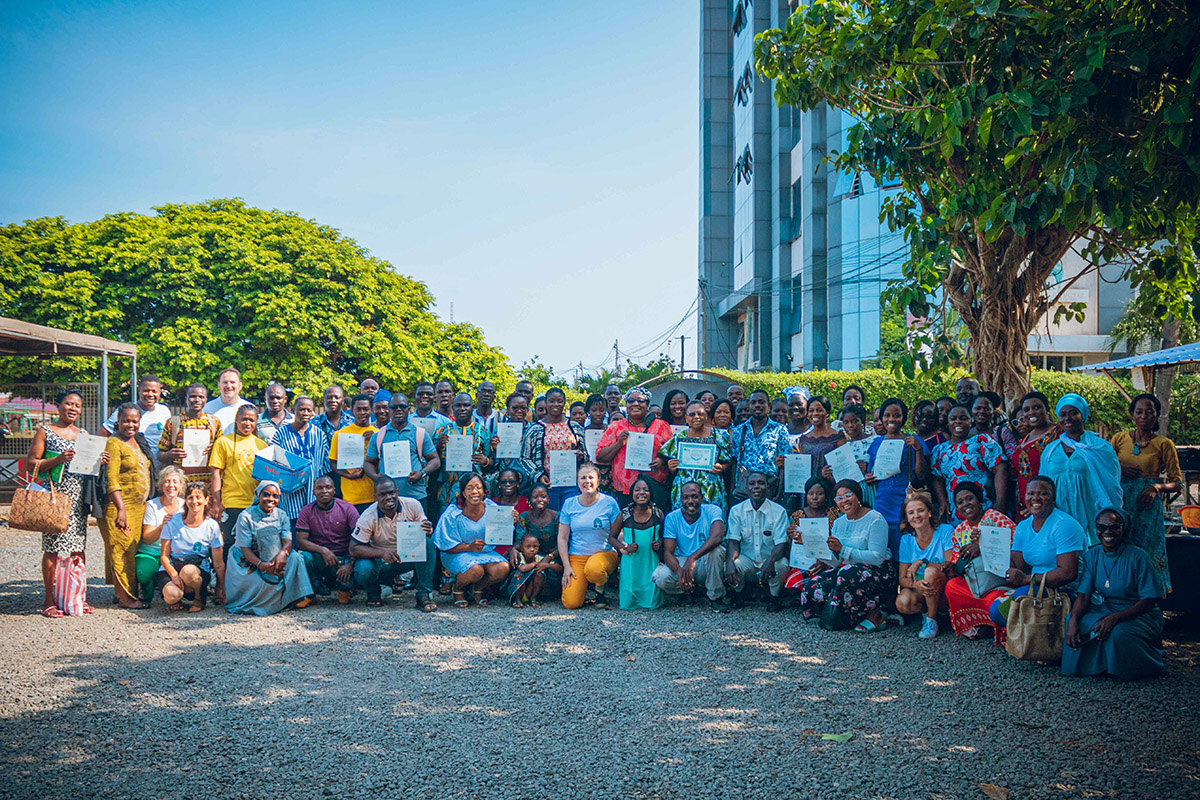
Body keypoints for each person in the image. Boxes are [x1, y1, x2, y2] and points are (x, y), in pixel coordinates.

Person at [25, 388, 107, 617]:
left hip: (78, 499)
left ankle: (76, 597)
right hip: (55, 498)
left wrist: (99, 461)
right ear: (58, 405)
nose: (73, 409)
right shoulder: (45, 431)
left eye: (77, 406)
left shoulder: (83, 434)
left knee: (78, 549)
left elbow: (86, 468)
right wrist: (59, 459)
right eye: (69, 404)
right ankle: (49, 600)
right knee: (52, 549)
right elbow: (31, 464)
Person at [1063, 508, 1164, 680]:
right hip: (1108, 609)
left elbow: (1150, 600)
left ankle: (1138, 667)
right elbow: (1084, 596)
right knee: (1075, 622)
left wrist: (1115, 618)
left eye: (1114, 527)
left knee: (1118, 632)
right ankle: (1094, 667)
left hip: (1140, 613)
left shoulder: (1138, 556)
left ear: (1123, 528)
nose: (1107, 532)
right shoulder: (1093, 555)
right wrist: (1072, 620)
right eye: (1102, 527)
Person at [987, 475, 1084, 631]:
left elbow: (1068, 573)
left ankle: (1047, 643)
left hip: (1065, 590)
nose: (1035, 498)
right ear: (1023, 497)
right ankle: (1036, 642)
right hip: (1036, 585)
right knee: (998, 609)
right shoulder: (1023, 527)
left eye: (1043, 494)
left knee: (1006, 608)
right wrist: (987, 545)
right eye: (1031, 493)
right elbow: (1016, 564)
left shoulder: (1064, 525)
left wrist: (1026, 579)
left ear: (1053, 498)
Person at [795, 480, 892, 632]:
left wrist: (843, 549)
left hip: (878, 571)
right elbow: (836, 562)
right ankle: (849, 615)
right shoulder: (839, 522)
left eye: (848, 495)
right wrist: (808, 543)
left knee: (847, 574)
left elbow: (877, 557)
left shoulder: (875, 519)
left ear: (858, 496)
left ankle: (875, 616)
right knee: (813, 587)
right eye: (839, 498)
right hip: (847, 570)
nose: (844, 501)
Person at [1110, 393, 1180, 597]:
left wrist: (1156, 488)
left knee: (1147, 552)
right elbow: (1104, 464)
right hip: (1120, 503)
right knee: (1119, 547)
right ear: (1132, 415)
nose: (1144, 416)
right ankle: (1119, 596)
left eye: (1150, 412)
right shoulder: (1119, 439)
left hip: (1147, 508)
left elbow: (1177, 483)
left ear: (1157, 415)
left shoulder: (1164, 443)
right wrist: (1120, 468)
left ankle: (1148, 600)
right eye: (1139, 412)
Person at [1039, 393, 1122, 546]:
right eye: (1063, 414)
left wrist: (1110, 514)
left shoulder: (1100, 448)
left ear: (1083, 415)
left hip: (1092, 514)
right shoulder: (1050, 451)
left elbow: (1111, 486)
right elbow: (1042, 484)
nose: (1068, 418)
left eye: (1073, 413)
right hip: (1060, 515)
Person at [942, 481, 1018, 641]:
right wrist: (951, 567)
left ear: (980, 501)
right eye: (960, 502)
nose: (966, 505)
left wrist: (982, 548)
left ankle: (998, 629)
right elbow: (959, 569)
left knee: (994, 599)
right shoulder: (959, 531)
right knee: (952, 587)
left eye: (970, 499)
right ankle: (977, 625)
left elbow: (1016, 546)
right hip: (976, 582)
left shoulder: (994, 518)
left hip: (999, 580)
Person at [224, 480, 314, 615]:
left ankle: (297, 597)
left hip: (273, 554)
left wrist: (282, 554)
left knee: (295, 557)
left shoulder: (281, 515)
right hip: (248, 559)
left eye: (275, 496)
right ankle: (274, 603)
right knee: (260, 583)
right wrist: (262, 565)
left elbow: (287, 541)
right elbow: (245, 549)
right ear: (258, 495)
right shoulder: (245, 517)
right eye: (266, 495)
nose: (271, 499)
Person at [350, 476, 438, 611]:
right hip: (380, 560)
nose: (388, 497)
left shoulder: (413, 505)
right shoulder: (368, 516)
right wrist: (382, 553)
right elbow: (354, 548)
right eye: (383, 494)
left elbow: (424, 530)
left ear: (397, 492)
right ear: (375, 497)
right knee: (363, 569)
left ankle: (423, 594)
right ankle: (373, 591)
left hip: (407, 557)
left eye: (391, 492)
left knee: (428, 544)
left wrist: (428, 529)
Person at [102, 403, 158, 609]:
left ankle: (122, 593)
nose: (130, 424)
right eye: (126, 420)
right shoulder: (114, 443)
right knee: (121, 548)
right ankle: (127, 598)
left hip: (139, 507)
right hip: (120, 506)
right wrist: (121, 509)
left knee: (132, 549)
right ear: (118, 420)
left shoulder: (138, 441)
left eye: (135, 421)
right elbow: (112, 479)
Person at [432, 473, 511, 607]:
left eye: (478, 487)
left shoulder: (492, 508)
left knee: (503, 568)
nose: (474, 492)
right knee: (476, 570)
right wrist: (469, 547)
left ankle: (478, 588)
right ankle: (458, 590)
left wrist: (510, 521)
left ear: (484, 491)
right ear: (463, 492)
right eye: (469, 488)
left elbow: (501, 534)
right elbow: (444, 545)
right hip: (456, 553)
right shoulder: (453, 514)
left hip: (483, 552)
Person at [865, 397, 929, 558]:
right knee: (882, 539)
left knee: (906, 539)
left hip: (905, 499)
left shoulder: (913, 441)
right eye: (887, 415)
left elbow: (922, 476)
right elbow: (870, 472)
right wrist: (869, 478)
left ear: (904, 417)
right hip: (882, 500)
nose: (891, 419)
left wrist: (919, 450)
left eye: (896, 415)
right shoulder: (876, 443)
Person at [652, 482, 728, 611]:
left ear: (702, 497)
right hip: (683, 561)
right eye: (686, 497)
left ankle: (716, 597)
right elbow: (667, 553)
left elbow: (717, 537)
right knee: (660, 577)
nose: (690, 501)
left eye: (694, 496)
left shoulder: (713, 510)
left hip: (705, 561)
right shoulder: (672, 517)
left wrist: (692, 558)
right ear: (681, 499)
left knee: (716, 551)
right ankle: (687, 591)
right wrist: (680, 573)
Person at [364, 392, 441, 518]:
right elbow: (368, 462)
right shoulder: (378, 436)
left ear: (409, 409)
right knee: (389, 536)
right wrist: (376, 477)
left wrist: (421, 473)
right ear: (389, 409)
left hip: (416, 496)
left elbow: (435, 460)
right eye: (394, 407)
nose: (398, 410)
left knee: (416, 534)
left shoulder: (420, 434)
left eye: (402, 407)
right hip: (387, 499)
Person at [595, 387, 674, 509]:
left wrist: (662, 461)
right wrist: (619, 443)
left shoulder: (661, 426)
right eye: (631, 401)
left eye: (640, 401)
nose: (635, 404)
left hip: (654, 488)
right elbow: (600, 456)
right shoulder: (616, 426)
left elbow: (673, 453)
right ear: (626, 405)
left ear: (647, 404)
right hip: (624, 490)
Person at [558, 464, 622, 609]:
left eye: (591, 477)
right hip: (577, 555)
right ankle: (583, 589)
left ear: (598, 481)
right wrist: (566, 566)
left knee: (594, 569)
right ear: (577, 481)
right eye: (583, 478)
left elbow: (619, 532)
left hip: (604, 553)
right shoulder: (569, 504)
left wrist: (624, 549)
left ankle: (600, 589)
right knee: (571, 603)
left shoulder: (609, 502)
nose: (587, 481)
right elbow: (562, 538)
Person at [156, 481, 226, 612]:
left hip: (196, 569)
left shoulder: (211, 525)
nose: (194, 502)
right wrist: (174, 575)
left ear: (206, 500)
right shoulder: (172, 521)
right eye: (190, 498)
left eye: (198, 497)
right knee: (171, 595)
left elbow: (218, 563)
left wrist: (222, 588)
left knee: (188, 571)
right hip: (173, 566)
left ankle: (199, 598)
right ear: (186, 501)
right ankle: (177, 599)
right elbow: (164, 556)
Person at [930, 404, 1007, 521]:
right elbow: (937, 479)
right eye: (953, 419)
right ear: (948, 422)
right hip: (955, 510)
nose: (958, 422)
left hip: (985, 507)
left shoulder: (982, 441)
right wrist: (942, 502)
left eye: (963, 418)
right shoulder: (939, 450)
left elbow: (1000, 468)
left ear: (971, 421)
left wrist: (1000, 501)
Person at [725, 472, 790, 610]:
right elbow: (733, 542)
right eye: (752, 483)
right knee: (734, 563)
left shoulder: (779, 512)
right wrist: (729, 563)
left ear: (768, 488)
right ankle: (739, 593)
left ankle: (774, 597)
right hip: (748, 560)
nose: (756, 487)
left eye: (761, 483)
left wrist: (771, 560)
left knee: (782, 564)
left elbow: (781, 543)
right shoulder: (736, 511)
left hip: (769, 561)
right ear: (746, 488)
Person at [895, 494, 955, 639]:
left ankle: (932, 620)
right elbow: (902, 579)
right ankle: (926, 613)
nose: (916, 516)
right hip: (924, 587)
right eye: (911, 513)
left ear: (929, 512)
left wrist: (923, 561)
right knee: (903, 602)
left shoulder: (945, 531)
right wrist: (917, 585)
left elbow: (949, 568)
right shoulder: (906, 540)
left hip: (944, 587)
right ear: (907, 518)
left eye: (920, 510)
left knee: (930, 572)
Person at [209, 404, 269, 551]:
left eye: (251, 420)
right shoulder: (223, 442)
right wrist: (217, 502)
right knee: (229, 544)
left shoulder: (262, 445)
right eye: (244, 419)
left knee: (253, 546)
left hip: (255, 504)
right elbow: (216, 473)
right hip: (232, 503)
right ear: (236, 420)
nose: (247, 423)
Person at [294, 475, 359, 603]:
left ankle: (345, 590)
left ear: (334, 490)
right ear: (313, 492)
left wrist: (350, 563)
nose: (324, 491)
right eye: (319, 488)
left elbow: (359, 539)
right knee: (303, 557)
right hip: (321, 557)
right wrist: (323, 550)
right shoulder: (306, 511)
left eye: (328, 487)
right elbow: (300, 541)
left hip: (344, 557)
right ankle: (311, 592)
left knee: (344, 599)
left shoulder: (347, 508)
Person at [522, 387, 587, 511]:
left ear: (564, 403)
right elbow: (525, 458)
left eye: (559, 401)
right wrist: (538, 476)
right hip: (548, 484)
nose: (556, 404)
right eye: (552, 401)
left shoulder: (575, 427)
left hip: (571, 483)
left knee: (570, 517)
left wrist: (581, 456)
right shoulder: (535, 429)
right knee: (552, 520)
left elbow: (585, 454)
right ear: (546, 403)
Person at [659, 401, 731, 512]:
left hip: (710, 489)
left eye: (700, 414)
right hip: (684, 489)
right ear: (686, 418)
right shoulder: (679, 437)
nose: (696, 417)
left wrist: (722, 468)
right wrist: (671, 468)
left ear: (706, 416)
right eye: (692, 414)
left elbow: (728, 462)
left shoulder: (719, 436)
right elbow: (668, 465)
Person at [272, 396, 330, 530]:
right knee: (291, 535)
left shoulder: (319, 434)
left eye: (309, 410)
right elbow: (273, 463)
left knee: (312, 534)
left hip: (313, 494)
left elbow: (325, 464)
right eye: (301, 409)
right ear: (293, 410)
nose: (305, 413)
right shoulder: (281, 434)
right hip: (290, 496)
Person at [609, 476, 663, 609]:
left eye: (646, 489)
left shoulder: (658, 513)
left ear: (651, 493)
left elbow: (665, 536)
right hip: (631, 561)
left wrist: (659, 543)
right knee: (629, 592)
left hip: (650, 560)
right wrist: (624, 548)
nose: (641, 493)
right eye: (637, 490)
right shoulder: (625, 514)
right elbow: (611, 538)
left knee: (651, 593)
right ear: (632, 494)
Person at [434, 392, 495, 511]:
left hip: (474, 492)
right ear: (453, 407)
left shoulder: (483, 432)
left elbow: (493, 463)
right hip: (447, 491)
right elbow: (431, 461)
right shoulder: (442, 431)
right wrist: (439, 446)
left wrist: (485, 461)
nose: (462, 409)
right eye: (458, 405)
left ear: (472, 408)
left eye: (466, 405)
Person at [730, 389, 790, 503]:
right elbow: (734, 461)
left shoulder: (780, 430)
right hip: (745, 489)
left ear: (768, 405)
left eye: (761, 402)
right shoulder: (739, 431)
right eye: (754, 402)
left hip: (769, 488)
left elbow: (784, 463)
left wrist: (780, 490)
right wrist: (732, 487)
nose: (757, 405)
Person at [782, 476, 840, 592]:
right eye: (811, 493)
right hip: (804, 561)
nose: (815, 498)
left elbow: (839, 542)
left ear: (827, 495)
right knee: (792, 582)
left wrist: (824, 561)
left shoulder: (835, 514)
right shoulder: (797, 515)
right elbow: (790, 548)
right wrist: (790, 538)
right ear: (806, 495)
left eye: (820, 494)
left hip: (829, 561)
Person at [156, 383, 221, 484]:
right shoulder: (173, 422)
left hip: (207, 483)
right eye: (192, 396)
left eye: (201, 397)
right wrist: (170, 454)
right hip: (181, 483)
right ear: (186, 399)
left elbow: (222, 452)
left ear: (206, 400)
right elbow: (160, 454)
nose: (197, 400)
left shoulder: (214, 422)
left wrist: (214, 449)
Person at [139, 466, 186, 606]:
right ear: (161, 485)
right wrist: (161, 526)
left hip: (174, 553)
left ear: (181, 485)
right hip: (152, 551)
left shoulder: (186, 505)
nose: (171, 485)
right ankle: (147, 592)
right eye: (167, 482)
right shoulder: (152, 505)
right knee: (144, 571)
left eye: (174, 482)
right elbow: (147, 538)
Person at [1013, 391, 1059, 519]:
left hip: (1043, 505)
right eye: (1026, 410)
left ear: (1047, 409)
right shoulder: (1025, 438)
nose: (1031, 412)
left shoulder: (1058, 434)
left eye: (1037, 407)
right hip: (1023, 506)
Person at [328, 393, 378, 512]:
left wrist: (375, 439)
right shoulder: (340, 434)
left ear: (371, 410)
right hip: (350, 497)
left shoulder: (378, 434)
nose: (362, 413)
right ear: (352, 410)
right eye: (358, 409)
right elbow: (333, 462)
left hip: (374, 495)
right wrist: (349, 475)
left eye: (365, 409)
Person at [514, 484, 562, 596]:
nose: (539, 499)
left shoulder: (557, 516)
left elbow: (563, 542)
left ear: (548, 499)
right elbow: (519, 540)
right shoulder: (524, 517)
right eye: (535, 497)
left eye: (543, 496)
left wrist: (548, 558)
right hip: (531, 557)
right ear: (530, 500)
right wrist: (514, 549)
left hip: (554, 556)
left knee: (553, 573)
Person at [101, 374, 171, 443]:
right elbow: (101, 436)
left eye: (154, 391)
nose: (150, 394)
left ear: (159, 392)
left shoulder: (164, 411)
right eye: (146, 391)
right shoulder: (126, 411)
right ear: (139, 391)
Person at [795, 395, 846, 484]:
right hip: (809, 489)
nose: (815, 414)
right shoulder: (804, 440)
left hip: (830, 486)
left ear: (827, 413)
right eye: (811, 411)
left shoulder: (838, 437)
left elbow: (844, 466)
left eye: (819, 410)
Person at [503, 533, 554, 608]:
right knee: (519, 574)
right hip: (517, 589)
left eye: (535, 546)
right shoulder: (519, 556)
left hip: (529, 590)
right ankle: (517, 600)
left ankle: (533, 598)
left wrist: (548, 565)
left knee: (540, 574)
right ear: (521, 547)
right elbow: (522, 569)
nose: (532, 549)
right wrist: (535, 564)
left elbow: (559, 567)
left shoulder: (538, 557)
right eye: (528, 547)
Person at [203, 367, 255, 434]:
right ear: (219, 385)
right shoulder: (208, 409)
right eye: (225, 382)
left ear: (240, 385)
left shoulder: (250, 409)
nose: (228, 386)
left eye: (232, 382)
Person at [313, 385, 351, 452]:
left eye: (337, 397)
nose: (333, 400)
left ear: (342, 401)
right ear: (323, 400)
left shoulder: (352, 422)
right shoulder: (313, 424)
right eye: (329, 397)